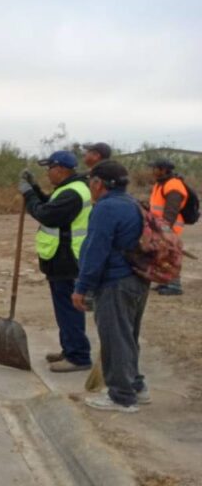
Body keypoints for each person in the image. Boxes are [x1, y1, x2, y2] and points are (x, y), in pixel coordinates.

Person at [72, 160, 149, 413]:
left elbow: (96, 251)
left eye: (90, 182)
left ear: (97, 183)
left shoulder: (106, 209)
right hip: (136, 280)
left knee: (115, 338)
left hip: (116, 282)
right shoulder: (131, 204)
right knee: (128, 336)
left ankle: (121, 396)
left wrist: (82, 287)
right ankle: (136, 386)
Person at [18, 150, 92, 372]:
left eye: (49, 168)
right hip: (62, 257)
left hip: (66, 259)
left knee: (68, 309)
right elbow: (50, 204)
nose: (48, 173)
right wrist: (36, 190)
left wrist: (29, 194)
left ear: (61, 169)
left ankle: (78, 356)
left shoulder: (72, 193)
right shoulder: (70, 189)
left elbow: (46, 214)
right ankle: (69, 349)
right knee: (65, 308)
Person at [149, 158, 187, 295]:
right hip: (161, 226)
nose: (153, 171)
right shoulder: (161, 184)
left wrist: (165, 230)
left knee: (171, 256)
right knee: (162, 255)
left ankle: (175, 285)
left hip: (169, 228)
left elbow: (171, 210)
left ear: (164, 170)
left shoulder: (173, 185)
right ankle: (166, 281)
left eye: (155, 168)